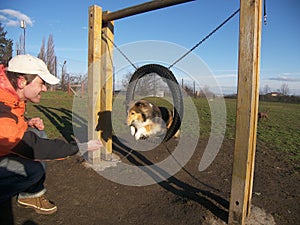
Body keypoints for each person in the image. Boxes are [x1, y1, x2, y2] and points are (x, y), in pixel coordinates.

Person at [0, 54, 103, 215]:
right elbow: (34, 146)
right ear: (22, 82)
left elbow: (11, 123)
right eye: (41, 83)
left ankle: (29, 195)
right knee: (34, 170)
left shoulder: (9, 95)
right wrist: (81, 147)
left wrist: (26, 122)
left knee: (37, 133)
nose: (45, 89)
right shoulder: (2, 112)